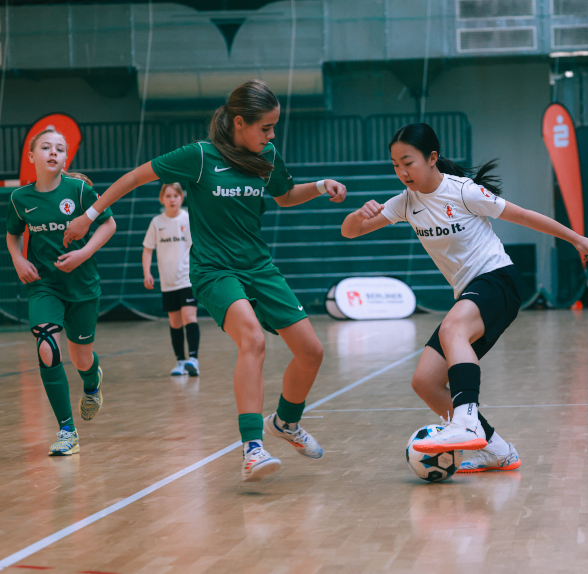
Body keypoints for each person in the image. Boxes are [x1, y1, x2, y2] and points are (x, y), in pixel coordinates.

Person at [65, 80, 348, 482]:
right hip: (215, 270)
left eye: (273, 128)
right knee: (252, 339)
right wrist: (89, 215)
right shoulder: (199, 156)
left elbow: (284, 196)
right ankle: (252, 448)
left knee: (312, 351)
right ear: (238, 122)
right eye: (265, 127)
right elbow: (134, 177)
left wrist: (321, 187)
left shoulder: (266, 155)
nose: (271, 135)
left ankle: (285, 423)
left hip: (259, 267)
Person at [341, 123, 588, 471]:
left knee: (452, 331)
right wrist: (358, 216)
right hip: (470, 292)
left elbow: (523, 215)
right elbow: (350, 232)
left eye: (408, 162)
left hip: (498, 280)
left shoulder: (463, 192)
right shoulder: (405, 202)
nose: (402, 172)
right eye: (395, 165)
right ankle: (496, 449)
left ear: (432, 158)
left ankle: (464, 423)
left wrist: (577, 239)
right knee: (426, 382)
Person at [5, 128, 116, 455]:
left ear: (66, 158)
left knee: (81, 359)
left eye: (59, 149)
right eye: (45, 147)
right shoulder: (20, 198)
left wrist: (83, 254)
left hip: (82, 287)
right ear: (31, 156)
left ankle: (92, 381)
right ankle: (67, 430)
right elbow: (12, 235)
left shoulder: (79, 190)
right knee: (47, 347)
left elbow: (108, 224)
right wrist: (18, 259)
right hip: (44, 285)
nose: (53, 152)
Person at [142, 182, 201, 376]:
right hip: (168, 282)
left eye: (175, 195)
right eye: (168, 196)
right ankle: (180, 362)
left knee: (189, 317)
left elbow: (198, 248)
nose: (172, 199)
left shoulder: (188, 219)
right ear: (162, 199)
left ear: (181, 198)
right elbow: (147, 249)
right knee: (175, 322)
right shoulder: (157, 223)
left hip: (187, 279)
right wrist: (147, 273)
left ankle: (193, 359)